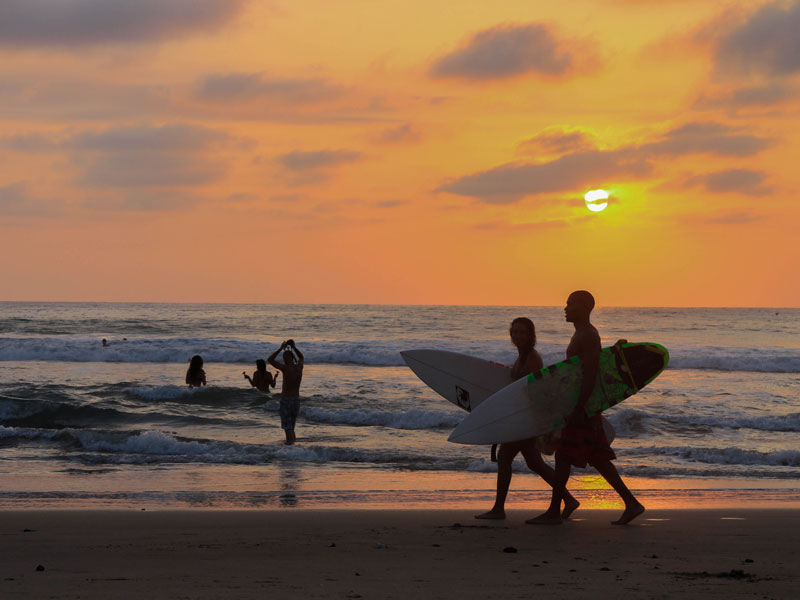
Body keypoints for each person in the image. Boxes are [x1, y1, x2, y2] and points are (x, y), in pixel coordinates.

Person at [528, 291, 644, 525]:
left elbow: (591, 372)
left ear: (583, 306)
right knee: (598, 457)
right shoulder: (582, 334)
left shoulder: (588, 335)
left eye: (570, 303)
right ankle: (632, 504)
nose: (565, 307)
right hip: (584, 405)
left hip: (583, 406)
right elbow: (584, 368)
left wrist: (580, 406)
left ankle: (553, 511)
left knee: (564, 456)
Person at [475, 317, 580, 520]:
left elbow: (537, 392)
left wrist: (525, 421)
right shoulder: (522, 356)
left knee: (506, 458)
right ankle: (568, 499)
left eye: (522, 332)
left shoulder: (532, 358)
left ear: (531, 335)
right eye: (514, 332)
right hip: (524, 418)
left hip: (527, 419)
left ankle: (498, 509)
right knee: (534, 463)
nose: (517, 336)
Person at [268, 340, 305, 445]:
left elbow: (270, 359)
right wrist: (294, 348)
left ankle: (290, 448)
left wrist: (280, 348)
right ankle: (293, 449)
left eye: (284, 357)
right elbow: (301, 357)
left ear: (286, 359)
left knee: (287, 428)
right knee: (292, 427)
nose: (283, 359)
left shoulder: (285, 368)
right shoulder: (299, 367)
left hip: (286, 400)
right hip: (296, 401)